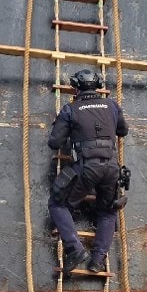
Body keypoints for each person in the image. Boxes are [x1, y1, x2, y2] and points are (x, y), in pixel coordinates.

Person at [47, 69, 128, 274]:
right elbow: (123, 131)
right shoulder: (111, 105)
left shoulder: (70, 109)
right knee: (108, 211)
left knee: (57, 204)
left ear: (76, 87)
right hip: (111, 168)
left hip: (87, 167)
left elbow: (54, 142)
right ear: (99, 85)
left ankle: (75, 250)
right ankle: (97, 261)